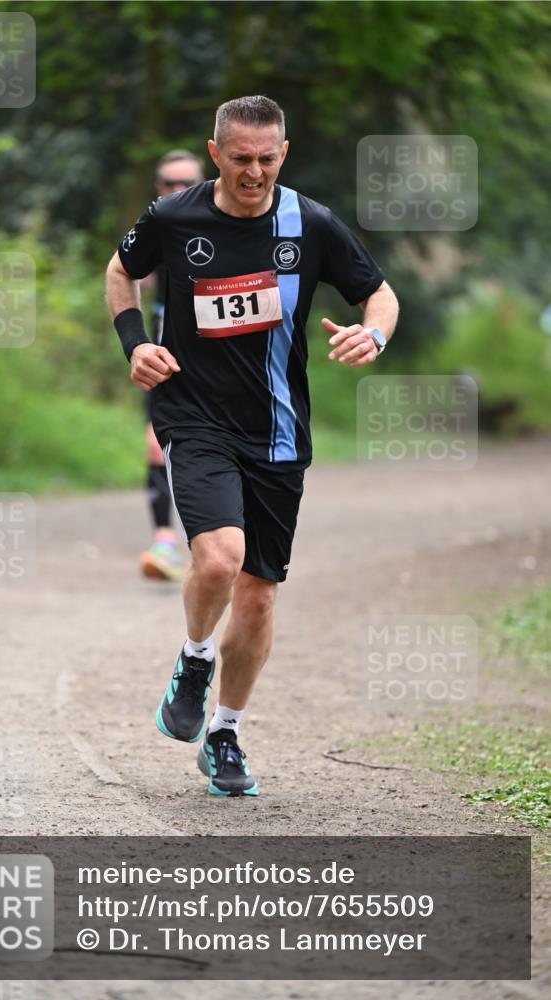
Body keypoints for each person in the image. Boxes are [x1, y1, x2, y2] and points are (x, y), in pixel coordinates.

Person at [106, 95, 399, 797]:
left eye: (267, 158)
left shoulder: (310, 222)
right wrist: (135, 343)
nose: (254, 172)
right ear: (215, 155)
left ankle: (225, 734)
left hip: (276, 427)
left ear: (283, 153)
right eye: (240, 158)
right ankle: (194, 657)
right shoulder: (175, 218)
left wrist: (374, 334)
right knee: (218, 560)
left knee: (259, 597)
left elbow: (379, 294)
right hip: (194, 414)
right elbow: (121, 273)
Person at [139, 150, 205, 581]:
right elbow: (125, 274)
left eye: (187, 184)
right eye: (168, 184)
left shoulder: (230, 226)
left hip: (229, 360)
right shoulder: (157, 227)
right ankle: (165, 541)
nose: (177, 191)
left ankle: (224, 543)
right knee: (154, 442)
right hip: (167, 354)